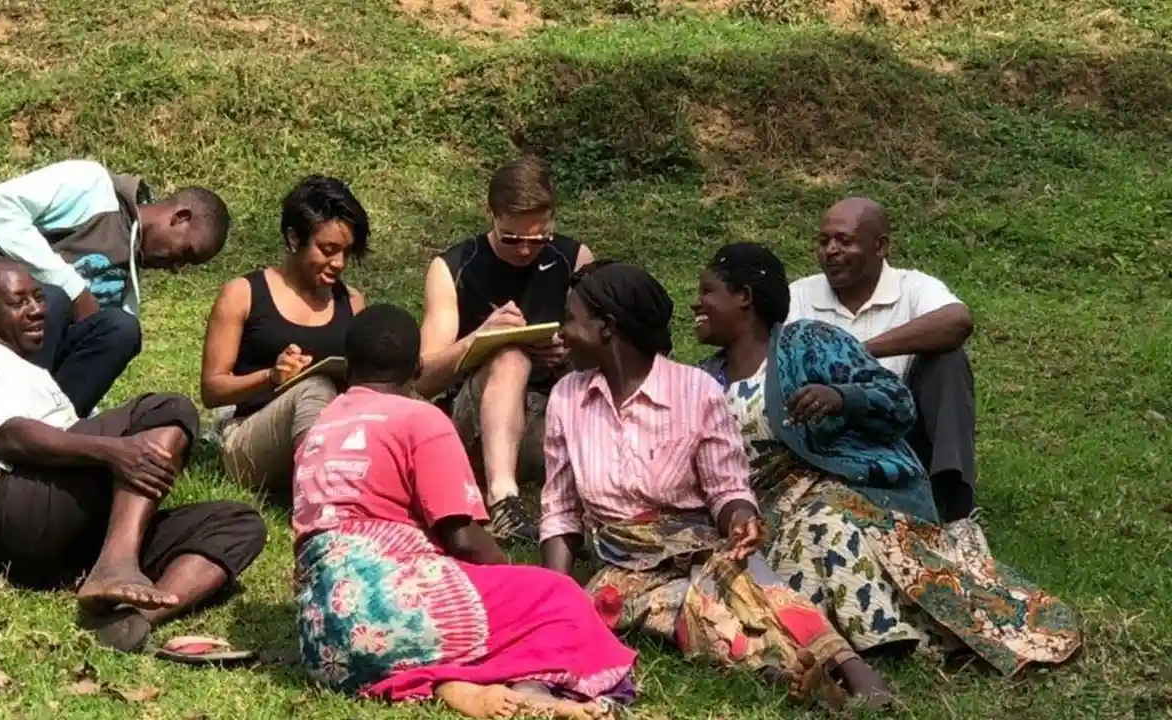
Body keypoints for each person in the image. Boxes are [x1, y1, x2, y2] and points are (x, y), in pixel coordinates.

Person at [696, 242, 1082, 676]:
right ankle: (831, 640)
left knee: (824, 521)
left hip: (844, 486)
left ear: (744, 297)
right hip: (763, 511)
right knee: (766, 557)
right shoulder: (704, 380)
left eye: (708, 292)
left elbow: (898, 401)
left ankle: (882, 642)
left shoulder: (808, 342)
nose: (697, 303)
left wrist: (844, 397)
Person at [539, 261, 889, 708]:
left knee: (743, 573)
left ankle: (851, 669)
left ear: (607, 328)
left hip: (698, 541)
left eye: (571, 319)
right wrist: (555, 597)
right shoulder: (567, 397)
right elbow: (560, 510)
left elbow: (727, 488)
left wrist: (742, 519)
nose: (561, 332)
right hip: (623, 562)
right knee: (700, 610)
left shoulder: (697, 391)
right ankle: (798, 673)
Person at [293, 303, 637, 719]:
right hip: (390, 615)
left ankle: (448, 684)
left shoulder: (321, 426)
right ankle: (531, 687)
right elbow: (463, 538)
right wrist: (511, 576)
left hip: (323, 639)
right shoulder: (420, 418)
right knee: (558, 595)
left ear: (349, 367)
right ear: (418, 366)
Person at [0, 255, 266, 652]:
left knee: (238, 523)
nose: (37, 310)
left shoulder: (30, 372)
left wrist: (117, 454)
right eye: (19, 301)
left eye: (39, 298)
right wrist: (114, 452)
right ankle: (117, 561)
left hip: (68, 544)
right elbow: (10, 438)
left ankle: (133, 620)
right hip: (9, 520)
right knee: (167, 409)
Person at [0, 159, 231, 417]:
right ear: (180, 218)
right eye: (187, 254)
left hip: (26, 383)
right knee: (53, 299)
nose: (178, 268)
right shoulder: (90, 187)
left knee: (122, 329)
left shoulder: (127, 281)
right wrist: (73, 288)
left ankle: (45, 440)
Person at [417, 157, 595, 544]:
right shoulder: (453, 268)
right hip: (474, 419)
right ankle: (502, 500)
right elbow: (423, 380)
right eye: (512, 238)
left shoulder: (573, 259)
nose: (526, 250)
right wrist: (479, 340)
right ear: (490, 215)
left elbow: (604, 354)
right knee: (510, 356)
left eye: (539, 239)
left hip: (551, 413)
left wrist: (569, 353)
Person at [786, 197, 980, 542]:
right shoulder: (800, 296)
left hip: (904, 432)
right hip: (831, 438)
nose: (831, 250)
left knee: (948, 361)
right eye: (823, 241)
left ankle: (955, 507)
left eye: (844, 241)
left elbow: (958, 321)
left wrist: (857, 352)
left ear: (880, 246)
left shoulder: (912, 287)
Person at [201, 176, 367, 501]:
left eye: (346, 253)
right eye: (328, 250)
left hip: (336, 432)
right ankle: (321, 500)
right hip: (249, 440)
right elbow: (211, 390)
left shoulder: (353, 302)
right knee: (314, 387)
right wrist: (271, 376)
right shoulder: (244, 294)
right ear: (294, 239)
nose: (339, 264)